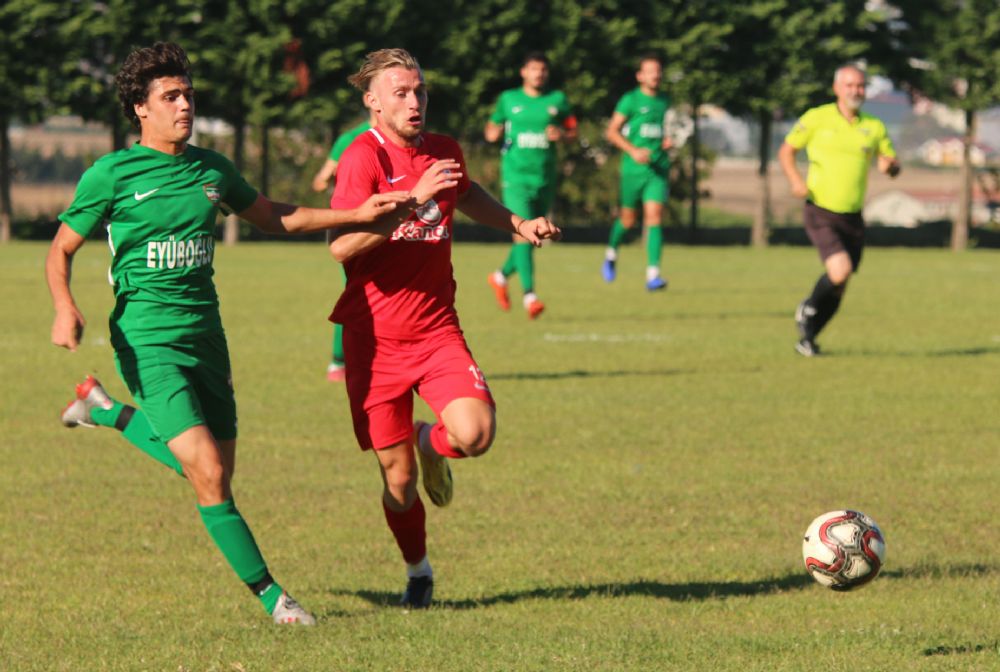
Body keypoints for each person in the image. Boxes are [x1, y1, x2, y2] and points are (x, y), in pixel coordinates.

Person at [46, 42, 406, 625]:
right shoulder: (111, 174)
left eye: (188, 94)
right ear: (141, 108)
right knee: (208, 474)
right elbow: (60, 251)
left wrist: (359, 214)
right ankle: (276, 600)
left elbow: (275, 215)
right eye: (171, 97)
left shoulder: (212, 169)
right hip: (146, 340)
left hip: (207, 338)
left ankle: (105, 411)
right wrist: (65, 306)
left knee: (216, 471)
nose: (185, 105)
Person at [327, 48, 560, 608]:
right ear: (373, 101)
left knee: (476, 434)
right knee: (400, 485)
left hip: (435, 331)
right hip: (375, 341)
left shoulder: (444, 151)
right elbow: (341, 246)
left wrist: (518, 223)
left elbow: (468, 193)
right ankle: (418, 572)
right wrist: (412, 204)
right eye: (401, 92)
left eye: (420, 91)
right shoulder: (362, 158)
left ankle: (430, 439)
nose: (414, 101)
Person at [778, 64, 900, 357]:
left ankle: (808, 338)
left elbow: (890, 161)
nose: (856, 91)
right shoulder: (816, 118)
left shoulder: (874, 126)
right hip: (821, 209)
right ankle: (807, 308)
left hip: (853, 215)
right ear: (837, 88)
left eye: (860, 86)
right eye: (850, 85)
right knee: (839, 270)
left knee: (840, 285)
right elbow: (787, 150)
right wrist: (796, 180)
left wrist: (890, 166)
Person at [484, 52, 576, 319]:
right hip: (516, 177)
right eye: (534, 69)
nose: (539, 74)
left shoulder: (557, 100)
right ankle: (530, 296)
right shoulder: (509, 99)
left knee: (534, 232)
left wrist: (562, 135)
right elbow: (492, 126)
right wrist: (493, 133)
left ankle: (500, 277)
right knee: (523, 233)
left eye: (543, 69)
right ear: (523, 72)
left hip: (545, 178)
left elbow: (573, 131)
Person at [311, 111, 377, 382]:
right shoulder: (350, 139)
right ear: (369, 99)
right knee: (356, 292)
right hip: (353, 227)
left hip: (390, 227)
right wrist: (333, 178)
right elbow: (320, 179)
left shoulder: (401, 138)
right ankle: (338, 361)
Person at [602, 53, 673, 291]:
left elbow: (660, 131)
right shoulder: (630, 100)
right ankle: (611, 253)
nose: (656, 75)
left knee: (654, 216)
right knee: (628, 220)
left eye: (658, 70)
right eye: (650, 71)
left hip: (657, 169)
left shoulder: (664, 100)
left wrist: (665, 141)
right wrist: (632, 150)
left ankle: (653, 275)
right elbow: (611, 132)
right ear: (640, 76)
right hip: (633, 170)